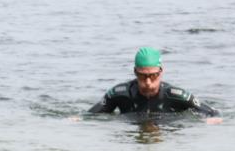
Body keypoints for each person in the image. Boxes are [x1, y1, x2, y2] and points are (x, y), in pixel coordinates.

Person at [88, 47, 221, 123]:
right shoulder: (119, 93)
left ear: (161, 72)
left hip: (166, 131)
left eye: (153, 76)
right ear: (135, 72)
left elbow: (213, 112)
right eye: (142, 76)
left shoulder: (175, 95)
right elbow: (90, 116)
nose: (148, 83)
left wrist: (213, 120)